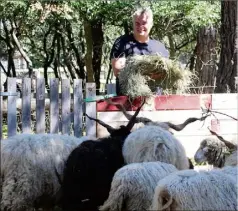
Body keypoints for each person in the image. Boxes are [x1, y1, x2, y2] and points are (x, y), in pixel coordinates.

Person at [110, 7, 169, 95]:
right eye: (137, 23)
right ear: (133, 24)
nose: (140, 26)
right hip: (127, 101)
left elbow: (165, 73)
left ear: (151, 24)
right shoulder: (122, 43)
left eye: (144, 23)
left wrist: (136, 71)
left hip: (155, 101)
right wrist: (151, 73)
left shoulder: (159, 47)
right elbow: (118, 71)